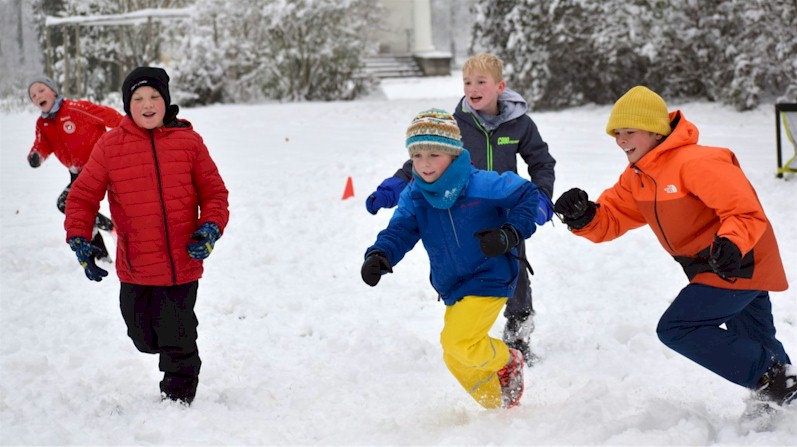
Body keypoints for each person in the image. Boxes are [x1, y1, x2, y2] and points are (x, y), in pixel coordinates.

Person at [553, 86, 794, 417]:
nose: (621, 140)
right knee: (755, 339)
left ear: (654, 131)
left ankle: (774, 379)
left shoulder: (697, 161)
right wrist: (584, 216)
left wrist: (732, 243)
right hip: (714, 265)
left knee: (678, 328)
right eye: (617, 134)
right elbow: (611, 219)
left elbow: (743, 210)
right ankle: (783, 402)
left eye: (629, 132)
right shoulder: (638, 178)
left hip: (738, 261)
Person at [364, 54, 555, 365]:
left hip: (510, 211)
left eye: (481, 82)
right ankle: (471, 335)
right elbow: (423, 160)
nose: (473, 88)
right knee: (469, 267)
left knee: (516, 273)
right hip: (465, 210)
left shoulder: (519, 124)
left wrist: (542, 199)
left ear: (500, 86)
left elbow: (541, 162)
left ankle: (519, 335)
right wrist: (391, 189)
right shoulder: (456, 126)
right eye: (467, 82)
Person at [64, 67, 230, 406]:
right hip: (136, 265)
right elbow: (81, 197)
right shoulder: (111, 146)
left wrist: (210, 227)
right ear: (128, 105)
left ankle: (178, 397)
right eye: (138, 99)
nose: (148, 104)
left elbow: (214, 194)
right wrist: (80, 239)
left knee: (178, 334)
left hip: (182, 262)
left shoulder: (189, 142)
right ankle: (166, 350)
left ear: (165, 101)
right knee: (142, 335)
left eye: (154, 96)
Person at [361, 109, 544, 409]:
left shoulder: (481, 184)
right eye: (417, 155)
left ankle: (509, 359)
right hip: (453, 284)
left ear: (453, 153)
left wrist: (510, 233)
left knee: (459, 342)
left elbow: (527, 193)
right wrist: (380, 254)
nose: (425, 164)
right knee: (454, 356)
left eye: (434, 154)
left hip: (492, 274)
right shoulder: (415, 195)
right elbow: (401, 229)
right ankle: (498, 406)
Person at [27, 76, 122, 259]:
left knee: (74, 206)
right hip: (77, 173)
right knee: (74, 208)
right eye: (33, 95)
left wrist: (131, 131)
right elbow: (42, 145)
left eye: (41, 90)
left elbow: (112, 117)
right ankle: (101, 254)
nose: (37, 96)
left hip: (100, 166)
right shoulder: (43, 124)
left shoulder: (76, 108)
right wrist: (36, 156)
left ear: (53, 91)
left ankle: (115, 231)